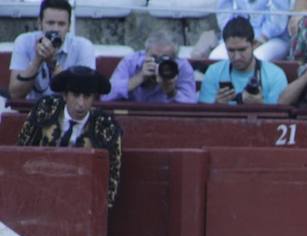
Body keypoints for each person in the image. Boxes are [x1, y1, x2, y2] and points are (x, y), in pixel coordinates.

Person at [16, 67, 122, 209]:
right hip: (39, 194)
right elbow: (21, 154)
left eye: (87, 96)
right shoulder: (45, 110)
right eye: (76, 95)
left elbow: (112, 175)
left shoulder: (106, 126)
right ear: (65, 95)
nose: (81, 103)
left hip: (81, 203)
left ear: (94, 97)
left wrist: (99, 211)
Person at [8, 0, 96, 101]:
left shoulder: (84, 47)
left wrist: (53, 63)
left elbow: (82, 98)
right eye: (50, 23)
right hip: (31, 110)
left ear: (69, 27)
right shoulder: (24, 41)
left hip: (67, 112)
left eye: (61, 24)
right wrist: (37, 60)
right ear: (40, 23)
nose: (55, 29)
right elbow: (15, 94)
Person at [199, 16, 289, 105]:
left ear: (254, 45)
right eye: (231, 50)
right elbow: (202, 115)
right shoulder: (213, 72)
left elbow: (279, 115)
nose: (237, 57)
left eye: (242, 50)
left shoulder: (275, 75)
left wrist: (261, 105)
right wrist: (216, 106)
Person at [102, 30, 197, 103]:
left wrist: (170, 90)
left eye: (165, 58)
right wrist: (140, 77)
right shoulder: (131, 61)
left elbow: (191, 105)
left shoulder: (182, 67)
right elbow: (106, 95)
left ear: (174, 57)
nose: (159, 63)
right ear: (145, 53)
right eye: (154, 57)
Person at [210, 0, 293, 61]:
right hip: (236, 35)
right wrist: (232, 35)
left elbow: (278, 20)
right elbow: (224, 13)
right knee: (216, 57)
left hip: (272, 38)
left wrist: (262, 37)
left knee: (256, 58)